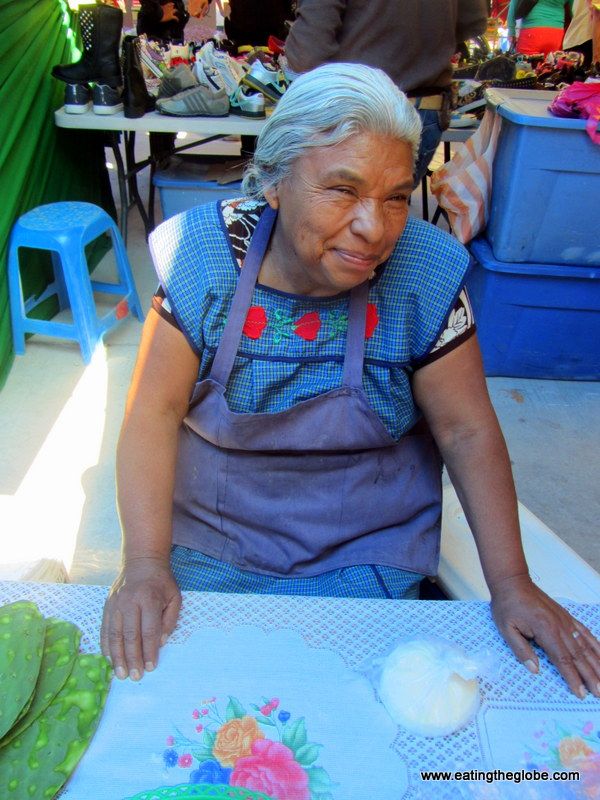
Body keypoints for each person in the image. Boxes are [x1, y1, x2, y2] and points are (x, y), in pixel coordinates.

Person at [101, 63, 600, 701]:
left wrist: (512, 584)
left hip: (367, 558)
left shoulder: (422, 273)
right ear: (276, 182)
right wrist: (144, 563)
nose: (375, 227)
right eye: (343, 189)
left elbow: (467, 431)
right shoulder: (205, 257)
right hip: (212, 551)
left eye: (396, 196)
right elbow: (152, 412)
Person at [282, 0, 488, 184]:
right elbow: (471, 21)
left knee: (341, 216)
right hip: (426, 104)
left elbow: (307, 50)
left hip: (357, 110)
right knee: (380, 216)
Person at [508, 0, 574, 55]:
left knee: (524, 68)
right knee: (551, 68)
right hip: (556, 34)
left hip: (532, 33)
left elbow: (513, 4)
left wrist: (511, 31)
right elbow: (573, 12)